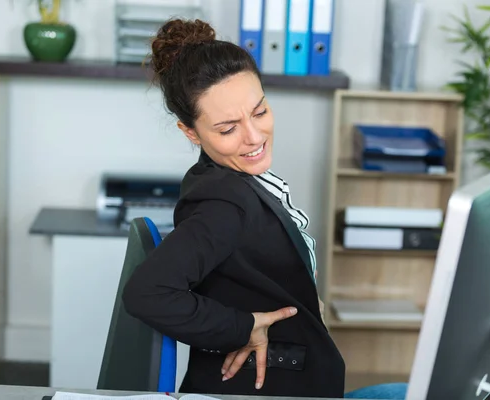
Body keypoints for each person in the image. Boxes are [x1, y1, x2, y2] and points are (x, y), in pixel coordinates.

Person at [122, 18, 407, 399]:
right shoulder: (223, 202)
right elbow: (148, 292)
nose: (254, 137)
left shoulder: (228, 178)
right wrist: (243, 326)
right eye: (227, 129)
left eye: (259, 112)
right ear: (190, 132)